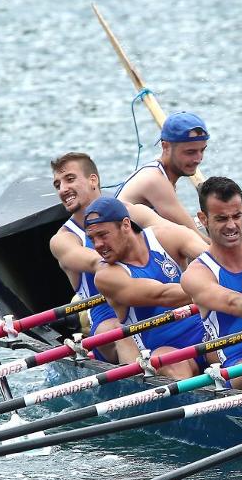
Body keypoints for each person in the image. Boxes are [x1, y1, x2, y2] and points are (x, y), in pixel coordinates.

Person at [47, 151, 168, 362]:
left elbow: (175, 235)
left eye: (70, 179)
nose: (63, 189)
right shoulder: (64, 240)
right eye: (58, 185)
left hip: (158, 300)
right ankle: (143, 387)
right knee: (117, 331)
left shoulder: (132, 212)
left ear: (93, 180)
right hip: (109, 315)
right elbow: (100, 262)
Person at [85, 196, 209, 378]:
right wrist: (215, 291)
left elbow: (216, 263)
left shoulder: (168, 236)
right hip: (164, 352)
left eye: (103, 235)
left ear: (126, 225)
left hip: (208, 338)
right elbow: (163, 295)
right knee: (173, 364)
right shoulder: (107, 276)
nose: (97, 245)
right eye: (92, 238)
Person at [179, 177, 242, 383]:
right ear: (203, 219)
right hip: (240, 362)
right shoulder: (197, 274)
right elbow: (236, 304)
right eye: (221, 219)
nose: (231, 225)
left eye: (237, 216)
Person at [116, 111, 209, 233]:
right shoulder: (154, 180)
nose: (198, 159)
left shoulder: (163, 175)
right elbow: (193, 235)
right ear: (166, 147)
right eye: (190, 152)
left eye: (202, 150)